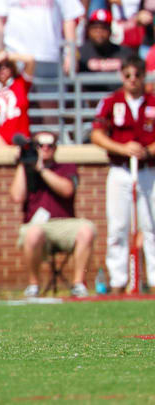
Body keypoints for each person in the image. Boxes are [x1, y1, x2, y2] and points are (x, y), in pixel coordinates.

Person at [91, 56, 155, 294]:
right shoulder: (111, 101)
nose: (133, 80)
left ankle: (153, 279)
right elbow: (97, 135)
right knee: (118, 226)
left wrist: (146, 150)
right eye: (128, 75)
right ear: (122, 76)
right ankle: (118, 280)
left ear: (143, 76)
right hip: (120, 169)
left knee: (151, 226)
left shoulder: (152, 101)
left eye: (137, 75)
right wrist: (124, 148)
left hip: (149, 170)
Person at [9, 131, 96, 298]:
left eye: (50, 145)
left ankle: (79, 284)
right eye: (40, 145)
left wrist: (42, 170)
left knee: (87, 229)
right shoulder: (26, 171)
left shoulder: (66, 167)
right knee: (33, 233)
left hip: (65, 223)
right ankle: (33, 285)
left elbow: (67, 190)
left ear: (56, 148)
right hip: (37, 226)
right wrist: (22, 163)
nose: (45, 149)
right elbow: (17, 196)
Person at [0, 50, 35, 146]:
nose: (3, 69)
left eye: (7, 65)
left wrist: (6, 55)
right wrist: (3, 148)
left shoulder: (20, 83)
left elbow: (30, 60)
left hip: (21, 145)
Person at [79, 9, 135, 74]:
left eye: (104, 28)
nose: (99, 32)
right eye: (95, 28)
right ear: (89, 30)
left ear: (110, 31)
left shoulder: (125, 53)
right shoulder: (80, 53)